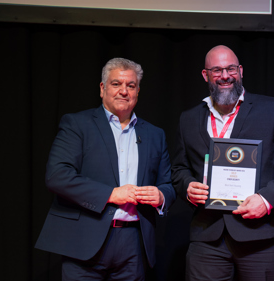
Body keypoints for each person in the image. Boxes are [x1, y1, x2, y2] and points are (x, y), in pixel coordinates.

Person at [171, 45, 274, 281]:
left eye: (231, 69)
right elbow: (179, 168)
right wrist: (187, 187)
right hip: (207, 235)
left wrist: (266, 200)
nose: (225, 76)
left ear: (241, 71)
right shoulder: (189, 118)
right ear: (206, 75)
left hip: (262, 235)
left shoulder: (273, 109)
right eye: (217, 70)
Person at [35, 58, 176, 280]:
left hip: (134, 243)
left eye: (130, 86)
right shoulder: (77, 124)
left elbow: (168, 184)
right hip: (85, 239)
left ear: (138, 91)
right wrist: (110, 194)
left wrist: (160, 196)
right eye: (116, 84)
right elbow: (57, 175)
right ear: (102, 88)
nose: (124, 91)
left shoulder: (155, 134)